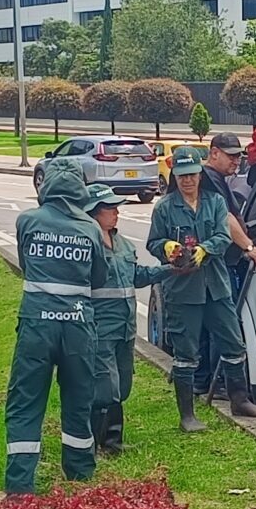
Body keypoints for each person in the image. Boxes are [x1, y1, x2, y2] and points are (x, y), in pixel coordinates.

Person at [149, 144, 256, 430]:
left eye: (192, 174)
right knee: (186, 353)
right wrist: (167, 247)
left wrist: (206, 249)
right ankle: (187, 415)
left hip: (215, 285)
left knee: (233, 343)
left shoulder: (215, 202)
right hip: (183, 291)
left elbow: (222, 234)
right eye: (182, 176)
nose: (187, 180)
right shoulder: (165, 208)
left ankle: (240, 400)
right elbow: (153, 243)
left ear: (200, 174)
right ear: (175, 177)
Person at [4, 159, 106, 491]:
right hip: (78, 324)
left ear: (45, 185)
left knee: (26, 401)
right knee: (78, 397)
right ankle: (79, 474)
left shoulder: (27, 221)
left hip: (36, 323)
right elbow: (99, 277)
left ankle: (20, 485)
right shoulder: (90, 228)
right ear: (79, 188)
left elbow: (25, 265)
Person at [86, 184, 169, 454]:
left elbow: (137, 276)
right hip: (101, 327)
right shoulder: (88, 245)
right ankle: (100, 442)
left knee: (122, 384)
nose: (116, 213)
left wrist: (169, 270)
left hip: (125, 328)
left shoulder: (122, 244)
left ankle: (113, 438)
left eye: (116, 208)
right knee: (105, 386)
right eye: (109, 209)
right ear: (93, 213)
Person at [194, 131, 256, 402]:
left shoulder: (218, 179)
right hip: (218, 262)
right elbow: (224, 217)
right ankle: (221, 383)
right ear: (214, 153)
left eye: (239, 156)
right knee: (222, 322)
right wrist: (249, 247)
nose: (236, 161)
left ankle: (202, 381)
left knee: (210, 323)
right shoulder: (210, 179)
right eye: (231, 156)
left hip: (214, 262)